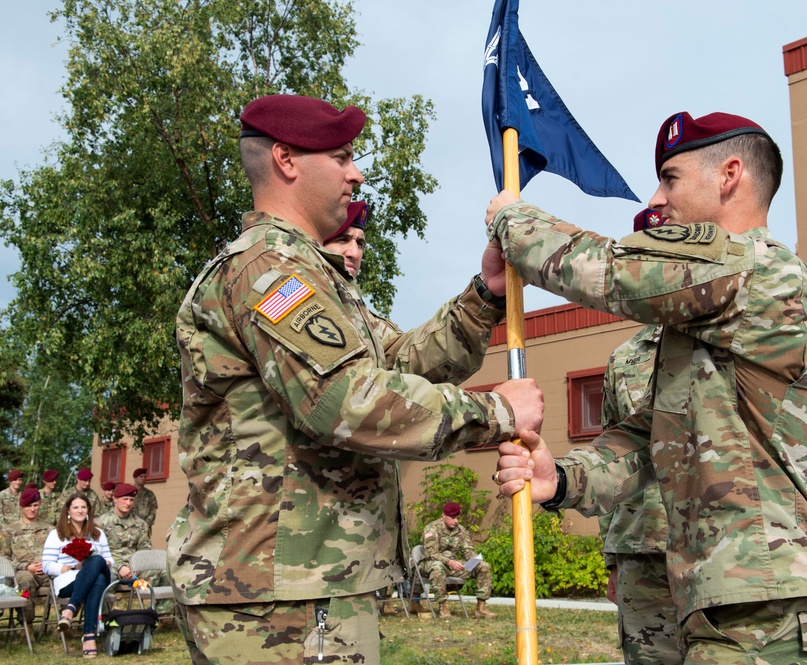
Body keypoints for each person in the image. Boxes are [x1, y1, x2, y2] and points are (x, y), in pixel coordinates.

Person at [168, 93, 543, 665]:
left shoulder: (311, 274)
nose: (356, 172)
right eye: (341, 156)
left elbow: (397, 362)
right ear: (287, 161)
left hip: (303, 583)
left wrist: (484, 295)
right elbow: (345, 401)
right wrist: (497, 414)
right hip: (276, 594)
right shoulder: (268, 270)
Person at [489, 111, 807, 665]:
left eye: (670, 177)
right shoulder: (700, 324)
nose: (658, 196)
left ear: (729, 174)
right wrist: (562, 478)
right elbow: (650, 442)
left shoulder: (767, 274)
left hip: (775, 605)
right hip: (729, 607)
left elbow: (615, 271)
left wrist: (514, 220)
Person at [597, 324, 678, 665]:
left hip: (727, 547)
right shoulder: (625, 357)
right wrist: (612, 561)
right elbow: (610, 458)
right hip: (642, 549)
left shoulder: (734, 338)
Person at [42, 493, 113, 659]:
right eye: (76, 507)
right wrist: (73, 566)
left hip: (97, 572)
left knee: (96, 560)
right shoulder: (56, 534)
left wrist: (98, 563)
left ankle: (70, 610)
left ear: (88, 510)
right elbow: (47, 565)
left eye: (83, 507)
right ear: (68, 510)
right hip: (69, 580)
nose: (80, 511)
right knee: (98, 580)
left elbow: (110, 559)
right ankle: (89, 636)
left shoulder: (98, 534)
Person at [419, 502, 496, 619]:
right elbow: (431, 553)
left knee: (483, 566)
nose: (456, 521)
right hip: (430, 564)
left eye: (458, 518)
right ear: (444, 515)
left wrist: (473, 560)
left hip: (452, 566)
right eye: (452, 518)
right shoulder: (431, 529)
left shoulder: (461, 531)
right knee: (437, 567)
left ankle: (481, 608)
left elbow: (468, 550)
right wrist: (449, 562)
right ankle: (443, 608)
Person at [0, 488, 51, 623]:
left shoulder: (49, 529)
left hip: (48, 571)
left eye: (35, 505)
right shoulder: (10, 530)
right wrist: (27, 566)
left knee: (72, 577)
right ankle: (26, 625)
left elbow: (58, 553)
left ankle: (64, 622)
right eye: (28, 506)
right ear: (21, 506)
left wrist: (49, 565)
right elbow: (4, 559)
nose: (32, 509)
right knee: (25, 579)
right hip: (23, 572)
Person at [98, 483, 153, 580]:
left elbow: (144, 549)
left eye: (131, 500)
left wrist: (136, 566)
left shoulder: (141, 524)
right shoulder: (101, 523)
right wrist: (119, 567)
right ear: (115, 499)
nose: (128, 503)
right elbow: (98, 552)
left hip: (135, 567)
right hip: (111, 566)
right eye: (125, 499)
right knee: (106, 577)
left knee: (160, 574)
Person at [131, 468, 158, 533]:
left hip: (145, 528)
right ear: (135, 478)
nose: (143, 478)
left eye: (145, 477)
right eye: (141, 476)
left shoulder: (149, 494)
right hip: (131, 527)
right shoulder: (129, 492)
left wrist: (145, 524)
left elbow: (153, 511)